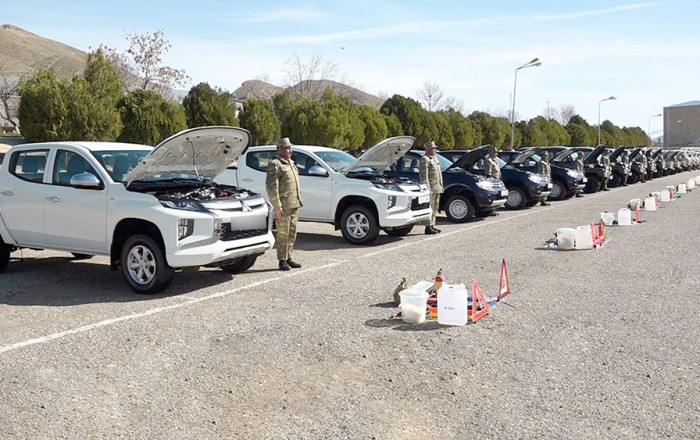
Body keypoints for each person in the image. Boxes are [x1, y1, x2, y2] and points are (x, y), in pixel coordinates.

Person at [266, 137, 303, 271]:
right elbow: (271, 187)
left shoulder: (291, 163)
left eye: (290, 148)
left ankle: (289, 257)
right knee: (283, 234)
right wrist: (277, 206)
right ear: (280, 149)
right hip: (283, 206)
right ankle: (282, 260)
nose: (290, 151)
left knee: (292, 233)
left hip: (293, 204)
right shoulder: (275, 164)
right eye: (287, 148)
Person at [419, 141, 444, 235]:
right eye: (433, 148)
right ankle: (428, 226)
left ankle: (432, 224)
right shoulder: (424, 159)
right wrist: (426, 188)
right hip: (431, 188)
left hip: (437, 187)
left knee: (435, 207)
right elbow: (423, 176)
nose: (435, 150)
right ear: (428, 149)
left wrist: (441, 185)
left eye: (435, 148)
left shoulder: (435, 159)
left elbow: (439, 174)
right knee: (430, 207)